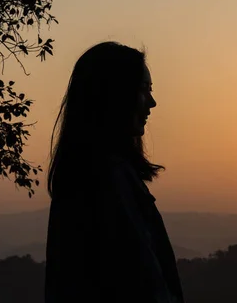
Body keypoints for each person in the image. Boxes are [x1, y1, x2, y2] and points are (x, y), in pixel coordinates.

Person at [45, 41, 184, 303]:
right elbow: (140, 280)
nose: (152, 102)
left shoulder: (92, 174)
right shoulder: (104, 179)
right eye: (144, 89)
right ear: (114, 95)